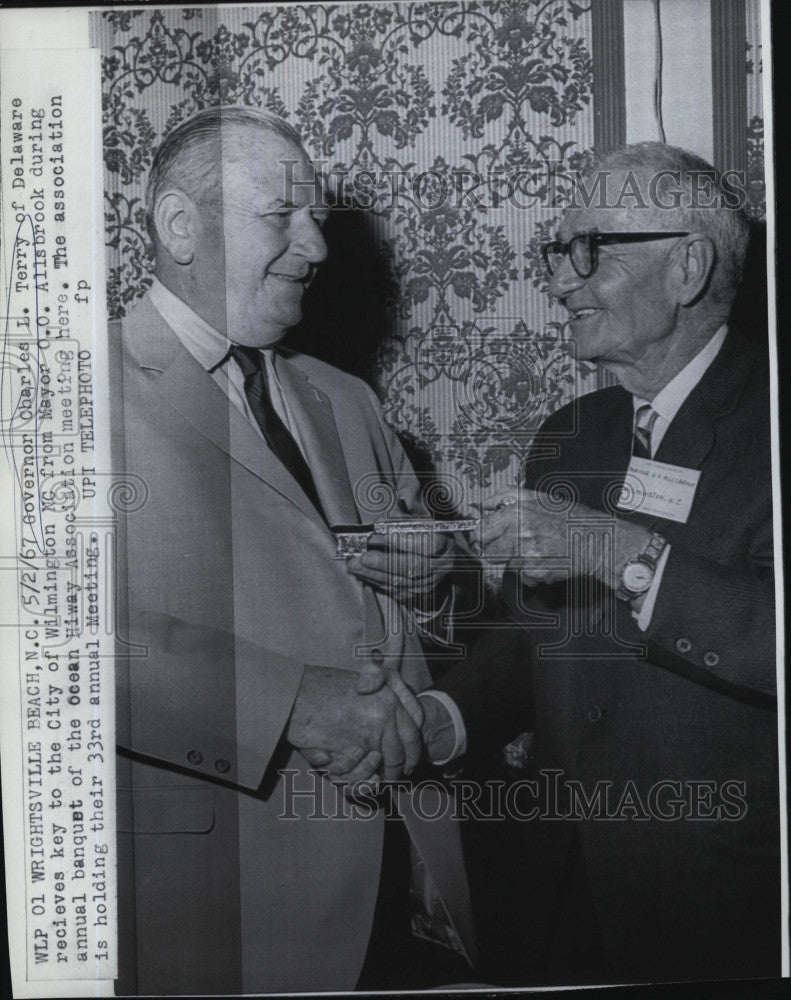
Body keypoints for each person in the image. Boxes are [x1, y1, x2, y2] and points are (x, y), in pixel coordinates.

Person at [110, 105, 476, 996]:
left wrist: (435, 584)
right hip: (219, 908)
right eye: (283, 216)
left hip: (402, 881)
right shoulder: (65, 389)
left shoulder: (343, 398)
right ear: (178, 226)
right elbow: (40, 640)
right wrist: (290, 706)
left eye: (317, 219)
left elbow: (437, 620)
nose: (315, 249)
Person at [421, 142, 780, 984]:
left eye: (590, 249)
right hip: (552, 884)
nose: (559, 280)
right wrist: (443, 715)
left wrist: (621, 551)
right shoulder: (570, 436)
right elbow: (532, 634)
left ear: (687, 267)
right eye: (556, 251)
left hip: (726, 899)